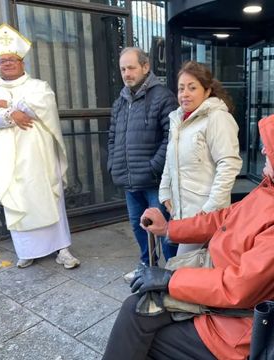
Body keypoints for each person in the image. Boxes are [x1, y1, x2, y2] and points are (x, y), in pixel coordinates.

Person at [102, 114, 274, 360]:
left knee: (138, 325)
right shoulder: (267, 188)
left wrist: (170, 279)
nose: (264, 150)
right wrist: (169, 229)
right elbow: (222, 218)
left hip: (230, 326)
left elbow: (238, 287)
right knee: (138, 310)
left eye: (270, 144)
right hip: (213, 290)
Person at [0, 23, 80, 269]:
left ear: (22, 62)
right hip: (7, 159)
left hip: (38, 157)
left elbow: (41, 105)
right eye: (2, 61)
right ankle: (27, 250)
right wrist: (11, 114)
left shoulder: (38, 86)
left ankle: (62, 249)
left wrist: (6, 105)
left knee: (48, 197)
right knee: (17, 199)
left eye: (12, 59)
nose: (7, 64)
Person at [108, 47, 179, 281]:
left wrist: (153, 166)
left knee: (162, 228)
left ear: (145, 67)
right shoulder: (121, 100)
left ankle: (171, 272)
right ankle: (147, 264)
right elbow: (112, 135)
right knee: (138, 226)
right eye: (123, 69)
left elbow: (171, 137)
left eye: (131, 68)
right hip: (129, 179)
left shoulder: (163, 96)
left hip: (153, 181)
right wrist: (113, 163)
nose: (127, 73)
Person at [159, 61, 242, 255]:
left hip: (205, 215)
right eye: (181, 88)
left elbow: (229, 163)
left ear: (207, 91)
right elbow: (170, 160)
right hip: (183, 213)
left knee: (185, 270)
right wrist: (164, 193)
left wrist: (210, 208)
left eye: (192, 87)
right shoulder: (178, 119)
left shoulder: (217, 118)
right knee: (191, 270)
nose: (184, 94)